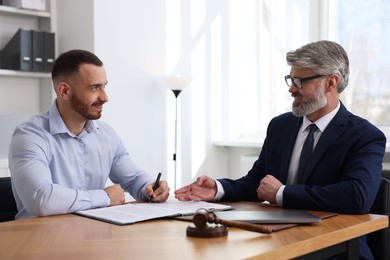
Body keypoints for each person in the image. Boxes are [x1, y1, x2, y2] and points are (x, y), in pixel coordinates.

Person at [175, 40, 386, 260]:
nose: (291, 88)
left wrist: (281, 193)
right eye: (290, 79)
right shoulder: (280, 126)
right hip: (280, 240)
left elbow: (357, 196)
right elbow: (258, 182)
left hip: (336, 250)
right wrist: (218, 189)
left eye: (300, 81)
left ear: (331, 83)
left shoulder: (364, 136)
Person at [9, 49, 170, 220]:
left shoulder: (106, 135)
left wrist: (150, 187)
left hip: (91, 235)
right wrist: (105, 197)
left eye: (104, 86)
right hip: (38, 240)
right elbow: (41, 199)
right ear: (64, 91)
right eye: (94, 88)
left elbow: (133, 179)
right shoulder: (30, 136)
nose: (105, 97)